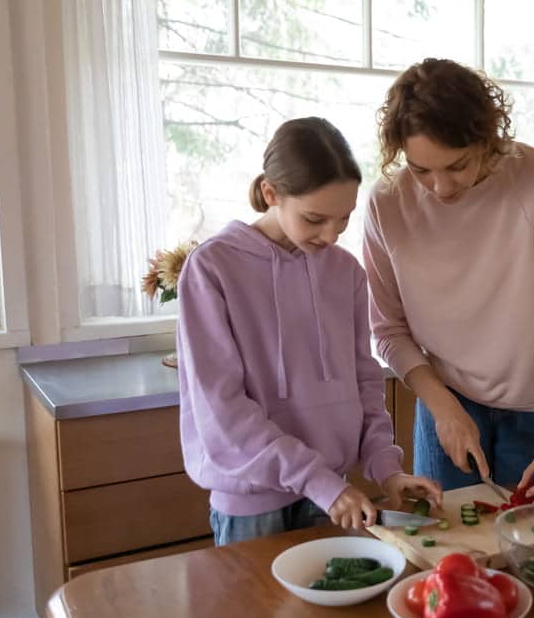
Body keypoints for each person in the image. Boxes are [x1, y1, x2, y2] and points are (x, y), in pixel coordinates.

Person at [178, 117, 441, 546]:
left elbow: (365, 383)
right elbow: (220, 408)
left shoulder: (346, 273)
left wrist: (386, 469)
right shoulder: (213, 268)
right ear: (271, 194)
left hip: (333, 497)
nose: (331, 235)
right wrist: (317, 481)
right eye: (315, 218)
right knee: (255, 616)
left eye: (343, 219)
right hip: (254, 504)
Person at [363, 58, 534, 504]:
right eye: (420, 170)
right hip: (445, 402)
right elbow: (389, 329)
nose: (440, 187)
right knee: (446, 551)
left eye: (457, 166)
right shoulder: (386, 205)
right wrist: (443, 408)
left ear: (488, 140)